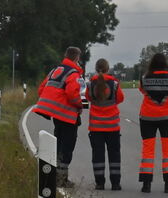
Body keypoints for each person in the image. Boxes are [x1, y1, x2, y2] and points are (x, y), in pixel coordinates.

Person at [32, 46, 84, 188]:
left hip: (56, 115)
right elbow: (73, 94)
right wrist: (80, 105)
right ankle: (61, 180)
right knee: (67, 147)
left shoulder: (55, 71)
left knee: (58, 144)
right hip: (67, 115)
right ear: (76, 58)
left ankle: (53, 176)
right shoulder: (73, 73)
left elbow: (41, 89)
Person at [138, 52, 168, 193]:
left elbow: (142, 90)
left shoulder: (144, 78)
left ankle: (146, 184)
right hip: (167, 118)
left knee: (148, 150)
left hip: (148, 117)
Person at [86, 58, 125, 191]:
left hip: (96, 126)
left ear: (96, 69)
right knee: (114, 154)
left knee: (98, 155)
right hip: (112, 125)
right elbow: (120, 98)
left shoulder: (91, 83)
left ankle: (99, 183)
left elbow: (88, 97)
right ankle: (115, 183)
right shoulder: (114, 83)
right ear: (108, 69)